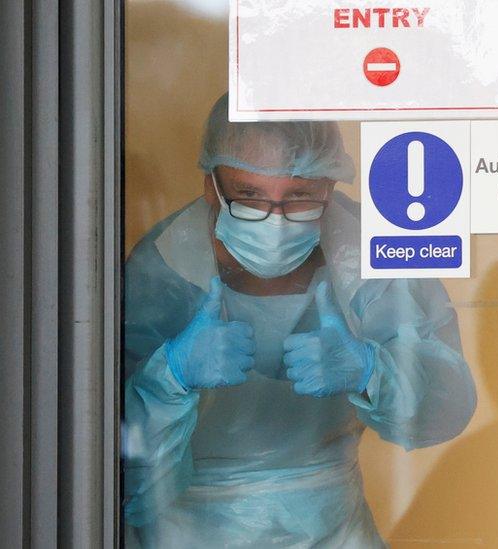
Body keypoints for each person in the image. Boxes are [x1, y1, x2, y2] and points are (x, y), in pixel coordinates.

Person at [122, 94, 477, 547]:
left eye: (299, 197)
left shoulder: (367, 252)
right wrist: (167, 378)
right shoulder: (165, 269)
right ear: (211, 186)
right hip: (188, 530)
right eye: (249, 196)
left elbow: (446, 409)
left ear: (329, 187)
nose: (275, 222)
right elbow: (109, 467)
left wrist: (373, 372)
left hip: (332, 524)